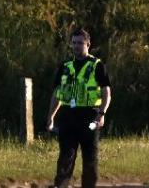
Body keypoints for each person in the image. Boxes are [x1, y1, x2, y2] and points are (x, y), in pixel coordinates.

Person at [46, 28, 112, 188]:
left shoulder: (97, 65)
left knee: (90, 158)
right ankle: (61, 185)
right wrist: (50, 117)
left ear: (88, 44)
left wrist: (101, 114)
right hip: (68, 116)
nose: (76, 46)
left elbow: (106, 93)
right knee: (65, 157)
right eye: (74, 43)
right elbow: (57, 94)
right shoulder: (65, 66)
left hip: (90, 116)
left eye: (80, 43)